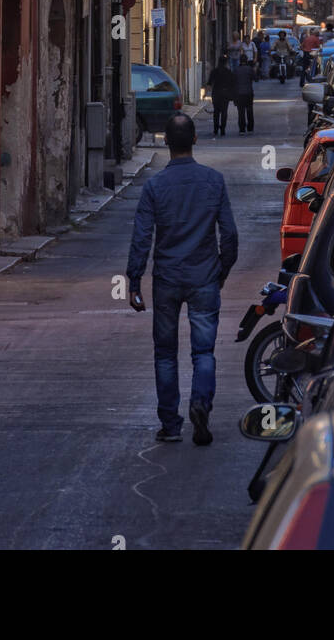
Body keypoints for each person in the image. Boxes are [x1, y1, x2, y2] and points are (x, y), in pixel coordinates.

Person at [127, 114, 238, 446]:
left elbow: (142, 238)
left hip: (167, 278)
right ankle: (201, 404)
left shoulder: (154, 187)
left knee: (165, 352)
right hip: (204, 275)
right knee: (203, 351)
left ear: (165, 142)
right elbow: (229, 235)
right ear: (195, 140)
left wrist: (134, 280)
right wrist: (222, 269)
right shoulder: (213, 181)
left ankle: (171, 424)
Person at [204, 55, 236, 137]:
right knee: (224, 112)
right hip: (225, 93)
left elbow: (209, 83)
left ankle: (215, 129)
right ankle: (222, 130)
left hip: (216, 93)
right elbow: (233, 84)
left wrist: (205, 94)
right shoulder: (228, 72)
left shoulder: (214, 71)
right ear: (226, 63)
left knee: (216, 112)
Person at [234, 55, 255, 133]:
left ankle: (242, 129)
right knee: (249, 111)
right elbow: (255, 78)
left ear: (240, 61)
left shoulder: (236, 70)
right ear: (246, 61)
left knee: (241, 112)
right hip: (249, 93)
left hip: (239, 93)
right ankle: (250, 128)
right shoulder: (250, 69)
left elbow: (233, 81)